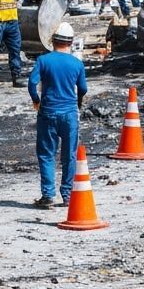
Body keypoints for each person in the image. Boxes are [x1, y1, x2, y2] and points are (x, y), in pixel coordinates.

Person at [28, 21, 87, 208]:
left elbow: (31, 83)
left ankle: (48, 195)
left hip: (48, 112)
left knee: (46, 154)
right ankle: (67, 195)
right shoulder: (77, 64)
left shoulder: (43, 61)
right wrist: (77, 102)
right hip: (69, 115)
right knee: (69, 155)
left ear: (53, 40)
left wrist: (36, 100)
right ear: (70, 42)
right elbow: (83, 88)